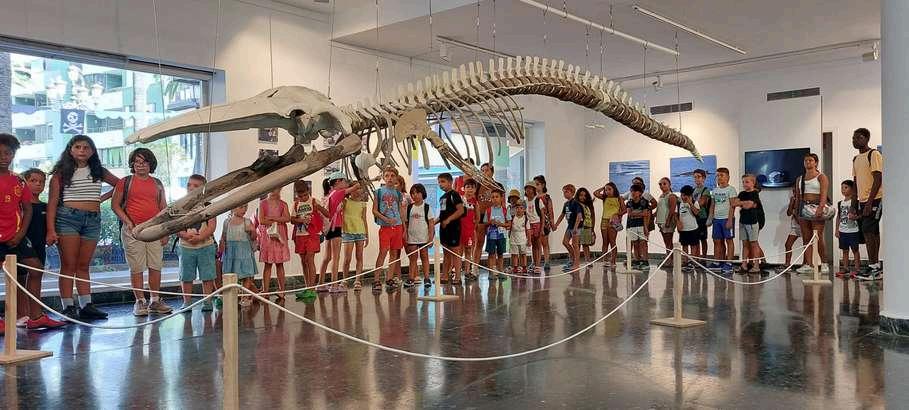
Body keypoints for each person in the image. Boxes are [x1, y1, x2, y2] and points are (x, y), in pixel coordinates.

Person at [46, 134, 119, 321]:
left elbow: (121, 185)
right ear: (70, 150)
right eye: (77, 147)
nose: (82, 151)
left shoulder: (98, 171)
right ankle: (68, 306)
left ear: (92, 151)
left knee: (84, 264)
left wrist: (101, 198)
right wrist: (51, 230)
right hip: (67, 218)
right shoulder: (60, 174)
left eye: (86, 147)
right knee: (68, 264)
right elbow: (52, 203)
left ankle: (86, 305)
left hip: (93, 219)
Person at [0, 135, 63, 331]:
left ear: (13, 155)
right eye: (0, 153)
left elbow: (27, 209)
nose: (3, 157)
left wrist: (20, 234)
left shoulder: (18, 181)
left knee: (36, 269)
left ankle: (36, 317)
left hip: (15, 236)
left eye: (8, 153)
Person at [111, 148, 172, 316]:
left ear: (150, 164)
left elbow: (163, 207)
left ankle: (155, 300)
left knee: (155, 265)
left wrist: (165, 231)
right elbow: (115, 205)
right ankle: (140, 301)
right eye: (137, 162)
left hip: (154, 229)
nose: (140, 165)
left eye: (144, 162)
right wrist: (128, 222)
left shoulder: (157, 183)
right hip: (133, 230)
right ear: (132, 164)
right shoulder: (125, 182)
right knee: (136, 266)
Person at [20, 168, 66, 329]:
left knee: (36, 275)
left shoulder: (45, 207)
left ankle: (33, 315)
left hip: (39, 246)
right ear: (24, 182)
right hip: (22, 245)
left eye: (41, 181)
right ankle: (22, 314)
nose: (38, 184)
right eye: (33, 181)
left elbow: (49, 227)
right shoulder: (20, 206)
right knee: (22, 277)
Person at [177, 175, 217, 311]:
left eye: (196, 186)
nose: (191, 188)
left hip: (205, 246)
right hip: (186, 247)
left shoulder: (209, 205)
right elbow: (175, 226)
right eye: (189, 185)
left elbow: (212, 226)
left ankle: (207, 301)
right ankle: (187, 302)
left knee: (207, 275)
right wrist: (184, 235)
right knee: (186, 275)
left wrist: (201, 237)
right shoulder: (180, 205)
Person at [852, 128, 883, 279]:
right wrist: (854, 204)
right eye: (853, 138)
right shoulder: (856, 159)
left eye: (858, 138)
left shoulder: (874, 154)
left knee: (868, 230)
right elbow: (855, 182)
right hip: (863, 200)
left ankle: (873, 267)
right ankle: (875, 266)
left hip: (875, 199)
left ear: (866, 139)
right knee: (873, 231)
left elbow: (878, 178)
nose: (854, 140)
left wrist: (870, 202)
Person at [324, 174, 362, 293]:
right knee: (336, 258)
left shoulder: (331, 193)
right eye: (344, 181)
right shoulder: (338, 192)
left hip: (330, 227)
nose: (346, 184)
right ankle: (334, 285)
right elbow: (355, 187)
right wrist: (361, 178)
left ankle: (321, 284)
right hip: (335, 226)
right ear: (338, 182)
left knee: (328, 257)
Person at [795, 153, 830, 274]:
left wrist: (820, 207)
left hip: (816, 207)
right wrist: (796, 212)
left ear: (816, 162)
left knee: (818, 237)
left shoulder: (821, 177)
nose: (808, 162)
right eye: (806, 160)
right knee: (806, 238)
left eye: (810, 160)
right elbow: (798, 196)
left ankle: (824, 263)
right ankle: (809, 264)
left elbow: (824, 194)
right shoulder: (800, 178)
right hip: (803, 208)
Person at [291, 180, 327, 300]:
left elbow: (327, 214)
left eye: (305, 195)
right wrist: (301, 220)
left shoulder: (314, 201)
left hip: (312, 235)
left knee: (310, 259)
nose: (303, 198)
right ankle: (307, 287)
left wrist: (319, 208)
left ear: (308, 191)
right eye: (300, 196)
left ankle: (312, 289)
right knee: (303, 261)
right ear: (297, 194)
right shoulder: (296, 204)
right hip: (300, 235)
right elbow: (292, 219)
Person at [373, 167, 406, 292]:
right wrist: (385, 219)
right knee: (383, 252)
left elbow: (400, 210)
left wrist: (404, 227)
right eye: (387, 176)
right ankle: (376, 280)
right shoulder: (378, 192)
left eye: (392, 175)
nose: (390, 178)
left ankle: (389, 278)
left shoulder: (398, 193)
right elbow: (374, 210)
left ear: (396, 177)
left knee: (394, 253)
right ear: (383, 177)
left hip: (397, 226)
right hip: (385, 227)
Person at [219, 204, 258, 306]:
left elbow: (254, 237)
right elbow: (223, 236)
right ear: (233, 208)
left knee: (246, 276)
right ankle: (230, 297)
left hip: (244, 253)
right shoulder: (227, 222)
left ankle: (245, 297)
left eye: (245, 207)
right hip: (231, 253)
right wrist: (221, 247)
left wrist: (253, 231)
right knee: (230, 276)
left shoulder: (247, 222)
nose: (244, 209)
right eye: (241, 207)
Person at [257, 188, 291, 297]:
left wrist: (272, 218)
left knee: (280, 264)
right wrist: (277, 220)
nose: (273, 190)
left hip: (279, 236)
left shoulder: (283, 204)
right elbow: (261, 220)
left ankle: (282, 290)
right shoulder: (263, 203)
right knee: (268, 264)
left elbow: (287, 218)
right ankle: (265, 291)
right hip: (268, 236)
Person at [473, 163, 503, 276]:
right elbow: (474, 202)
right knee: (479, 242)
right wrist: (475, 219)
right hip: (481, 217)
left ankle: (493, 268)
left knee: (493, 243)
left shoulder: (498, 185)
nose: (484, 172)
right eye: (482, 170)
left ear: (492, 171)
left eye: (486, 170)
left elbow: (503, 203)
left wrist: (503, 219)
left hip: (494, 218)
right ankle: (475, 268)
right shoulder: (477, 185)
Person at [437, 172, 465, 284]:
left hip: (453, 228)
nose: (440, 184)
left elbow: (461, 210)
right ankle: (445, 275)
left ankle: (457, 276)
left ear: (450, 182)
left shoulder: (454, 194)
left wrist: (449, 220)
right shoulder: (442, 198)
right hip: (444, 229)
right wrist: (432, 223)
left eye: (443, 181)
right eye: (439, 182)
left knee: (455, 252)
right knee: (446, 253)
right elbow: (442, 215)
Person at [405, 184, 434, 289]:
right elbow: (406, 223)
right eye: (413, 193)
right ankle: (411, 278)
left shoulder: (427, 207)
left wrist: (430, 238)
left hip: (423, 237)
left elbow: (431, 223)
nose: (415, 195)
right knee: (412, 258)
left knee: (424, 257)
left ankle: (427, 278)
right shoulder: (409, 207)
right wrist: (406, 234)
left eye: (417, 192)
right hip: (412, 238)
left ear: (423, 193)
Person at [708, 167, 737, 275]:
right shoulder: (715, 190)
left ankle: (729, 263)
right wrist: (710, 218)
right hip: (717, 219)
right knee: (717, 240)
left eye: (722, 175)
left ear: (728, 177)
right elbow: (712, 205)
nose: (719, 177)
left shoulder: (731, 189)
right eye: (718, 175)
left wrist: (730, 220)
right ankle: (717, 261)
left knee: (729, 240)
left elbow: (733, 206)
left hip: (727, 219)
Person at [341, 187, 369, 292]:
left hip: (360, 232)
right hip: (347, 232)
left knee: (359, 257)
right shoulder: (345, 201)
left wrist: (367, 234)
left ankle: (357, 280)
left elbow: (364, 219)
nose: (357, 192)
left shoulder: (363, 204)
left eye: (359, 190)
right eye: (355, 190)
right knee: (347, 258)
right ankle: (345, 280)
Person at [594, 182, 625, 267]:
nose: (607, 191)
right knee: (605, 242)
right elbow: (595, 193)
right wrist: (603, 187)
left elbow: (624, 210)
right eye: (606, 190)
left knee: (612, 241)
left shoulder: (619, 198)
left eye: (609, 189)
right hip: (604, 220)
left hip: (613, 221)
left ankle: (613, 261)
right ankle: (605, 260)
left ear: (614, 189)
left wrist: (617, 214)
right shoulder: (605, 197)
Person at [737, 174, 763, 274]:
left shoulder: (754, 194)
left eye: (747, 182)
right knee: (745, 244)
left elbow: (748, 206)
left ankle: (756, 265)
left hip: (752, 221)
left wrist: (743, 203)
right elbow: (734, 203)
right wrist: (745, 203)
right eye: (743, 182)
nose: (744, 184)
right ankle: (744, 265)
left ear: (753, 183)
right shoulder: (741, 193)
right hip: (743, 221)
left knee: (753, 243)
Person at [836, 180, 862, 280]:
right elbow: (839, 216)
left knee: (855, 250)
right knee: (845, 250)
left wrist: (856, 217)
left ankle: (857, 268)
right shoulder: (840, 203)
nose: (843, 190)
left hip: (853, 230)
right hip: (843, 231)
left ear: (852, 189)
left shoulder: (855, 202)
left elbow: (861, 215)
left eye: (846, 187)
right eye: (842, 187)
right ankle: (845, 268)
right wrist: (837, 229)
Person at [554, 184, 583, 271]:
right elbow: (562, 215)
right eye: (564, 192)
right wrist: (556, 224)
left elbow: (579, 215)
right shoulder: (566, 204)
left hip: (576, 227)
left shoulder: (576, 203)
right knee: (565, 242)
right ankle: (573, 257)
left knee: (575, 244)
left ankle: (576, 263)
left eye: (566, 192)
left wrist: (575, 227)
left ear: (572, 192)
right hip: (570, 226)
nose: (565, 194)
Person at [484, 190, 509, 279]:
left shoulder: (505, 210)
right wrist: (490, 222)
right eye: (493, 197)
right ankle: (491, 272)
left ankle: (501, 271)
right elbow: (485, 223)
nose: (495, 199)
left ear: (501, 198)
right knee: (491, 254)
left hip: (502, 235)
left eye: (497, 197)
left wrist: (501, 224)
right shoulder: (488, 210)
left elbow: (509, 224)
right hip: (491, 236)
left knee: (500, 254)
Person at [533, 175, 555, 270]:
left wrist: (552, 223)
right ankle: (535, 261)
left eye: (537, 184)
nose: (536, 186)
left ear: (543, 185)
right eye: (534, 185)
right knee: (535, 244)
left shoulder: (547, 198)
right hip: (535, 223)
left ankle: (546, 261)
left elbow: (550, 211)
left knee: (544, 243)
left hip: (545, 223)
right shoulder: (534, 198)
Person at [626, 184, 650, 269]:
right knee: (635, 244)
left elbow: (645, 214)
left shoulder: (644, 202)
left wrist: (646, 227)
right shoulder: (629, 202)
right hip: (632, 225)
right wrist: (640, 213)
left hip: (641, 225)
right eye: (631, 191)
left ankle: (645, 261)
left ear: (640, 192)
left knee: (643, 243)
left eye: (635, 191)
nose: (633, 193)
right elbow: (629, 214)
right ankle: (637, 260)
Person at [677, 185, 700, 273]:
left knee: (693, 246)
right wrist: (678, 223)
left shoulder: (695, 202)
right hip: (683, 229)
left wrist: (690, 203)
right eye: (681, 195)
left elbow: (696, 213)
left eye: (684, 195)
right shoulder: (679, 203)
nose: (683, 197)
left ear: (690, 195)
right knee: (684, 246)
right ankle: (685, 262)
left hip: (693, 228)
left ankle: (693, 261)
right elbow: (677, 215)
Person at [459, 179, 479, 281]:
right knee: (458, 251)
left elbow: (478, 217)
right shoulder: (460, 200)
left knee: (468, 250)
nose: (470, 189)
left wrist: (473, 228)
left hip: (469, 231)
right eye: (468, 187)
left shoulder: (475, 202)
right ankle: (456, 272)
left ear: (475, 189)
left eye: (472, 187)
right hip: (459, 230)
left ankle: (467, 272)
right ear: (464, 188)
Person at [655, 177, 679, 261]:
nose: (662, 186)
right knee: (666, 242)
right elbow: (659, 208)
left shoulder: (671, 196)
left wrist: (668, 221)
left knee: (669, 242)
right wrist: (653, 215)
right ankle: (669, 258)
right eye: (660, 184)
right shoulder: (661, 196)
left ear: (669, 185)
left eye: (664, 184)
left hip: (667, 222)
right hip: (661, 221)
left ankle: (671, 260)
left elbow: (672, 209)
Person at [524, 182, 543, 273]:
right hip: (529, 225)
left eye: (530, 188)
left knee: (538, 244)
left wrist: (542, 228)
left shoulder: (538, 200)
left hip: (537, 223)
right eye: (527, 188)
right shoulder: (525, 202)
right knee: (533, 245)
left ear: (534, 190)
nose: (528, 190)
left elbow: (542, 215)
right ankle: (535, 264)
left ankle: (538, 265)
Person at [692, 169, 712, 256]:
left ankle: (704, 257)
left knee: (703, 239)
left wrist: (690, 203)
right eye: (695, 177)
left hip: (702, 217)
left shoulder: (706, 190)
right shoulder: (693, 190)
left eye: (699, 177)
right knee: (695, 239)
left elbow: (700, 203)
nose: (697, 179)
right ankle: (696, 257)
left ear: (703, 178)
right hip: (694, 217)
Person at [783, 185, 802, 268]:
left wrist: (796, 216)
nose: (794, 193)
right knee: (788, 244)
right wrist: (791, 203)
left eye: (796, 191)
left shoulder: (803, 200)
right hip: (795, 227)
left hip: (803, 226)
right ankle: (787, 264)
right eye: (793, 191)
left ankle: (806, 264)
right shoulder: (793, 200)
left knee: (806, 245)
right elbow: (788, 213)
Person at [576, 187, 596, 263]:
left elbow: (592, 217)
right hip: (579, 226)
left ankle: (588, 260)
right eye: (581, 195)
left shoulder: (588, 205)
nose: (583, 197)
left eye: (585, 196)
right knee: (577, 244)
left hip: (587, 226)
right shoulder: (576, 204)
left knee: (585, 245)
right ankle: (576, 261)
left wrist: (592, 229)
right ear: (578, 195)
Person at [509, 200, 529, 274]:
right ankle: (515, 267)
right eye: (517, 208)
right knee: (515, 254)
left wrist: (529, 240)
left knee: (523, 254)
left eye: (521, 208)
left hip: (523, 238)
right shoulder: (512, 218)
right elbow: (510, 227)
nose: (519, 210)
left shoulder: (526, 219)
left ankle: (524, 267)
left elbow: (528, 230)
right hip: (514, 238)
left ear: (524, 209)